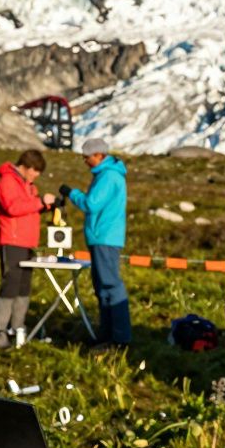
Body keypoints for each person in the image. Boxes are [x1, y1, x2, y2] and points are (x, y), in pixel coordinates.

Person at [58, 137, 131, 349]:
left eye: (86, 157)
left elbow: (91, 204)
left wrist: (71, 193)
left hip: (105, 237)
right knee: (103, 287)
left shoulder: (109, 176)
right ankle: (108, 335)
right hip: (103, 237)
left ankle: (119, 338)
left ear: (99, 155)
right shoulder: (108, 174)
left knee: (110, 286)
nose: (85, 161)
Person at [0, 149, 54, 350]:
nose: (36, 176)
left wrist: (46, 207)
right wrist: (39, 202)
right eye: (35, 171)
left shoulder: (29, 186)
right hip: (12, 241)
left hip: (28, 242)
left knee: (23, 287)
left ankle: (17, 328)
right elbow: (13, 207)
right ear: (26, 167)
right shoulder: (7, 182)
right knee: (10, 286)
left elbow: (28, 207)